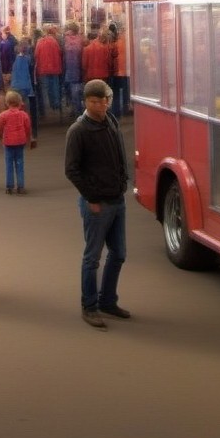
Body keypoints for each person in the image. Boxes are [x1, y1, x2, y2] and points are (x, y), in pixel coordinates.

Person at [64, 78, 130, 331]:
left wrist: (122, 182)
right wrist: (91, 198)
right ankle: (89, 306)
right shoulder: (78, 131)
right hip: (97, 204)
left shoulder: (110, 121)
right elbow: (71, 170)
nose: (100, 105)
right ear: (86, 102)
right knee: (92, 258)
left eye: (103, 101)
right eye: (94, 102)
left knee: (119, 254)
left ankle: (107, 301)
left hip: (116, 199)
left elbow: (119, 154)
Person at [0, 89, 34, 194]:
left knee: (9, 164)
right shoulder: (23, 115)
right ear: (19, 101)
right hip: (20, 142)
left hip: (8, 142)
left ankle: (9, 186)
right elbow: (28, 128)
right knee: (20, 163)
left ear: (7, 102)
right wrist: (29, 138)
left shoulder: (3, 115)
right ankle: (20, 186)